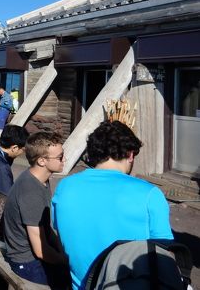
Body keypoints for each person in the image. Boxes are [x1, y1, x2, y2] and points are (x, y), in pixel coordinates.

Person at [51, 121, 174, 290]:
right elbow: (165, 255)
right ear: (130, 154)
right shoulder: (150, 194)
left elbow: (61, 234)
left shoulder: (65, 187)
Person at [3, 132, 69, 287]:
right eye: (60, 157)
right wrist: (66, 261)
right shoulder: (31, 191)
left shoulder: (40, 180)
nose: (64, 160)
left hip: (33, 253)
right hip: (25, 261)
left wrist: (62, 249)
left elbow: (46, 229)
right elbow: (40, 250)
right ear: (41, 161)